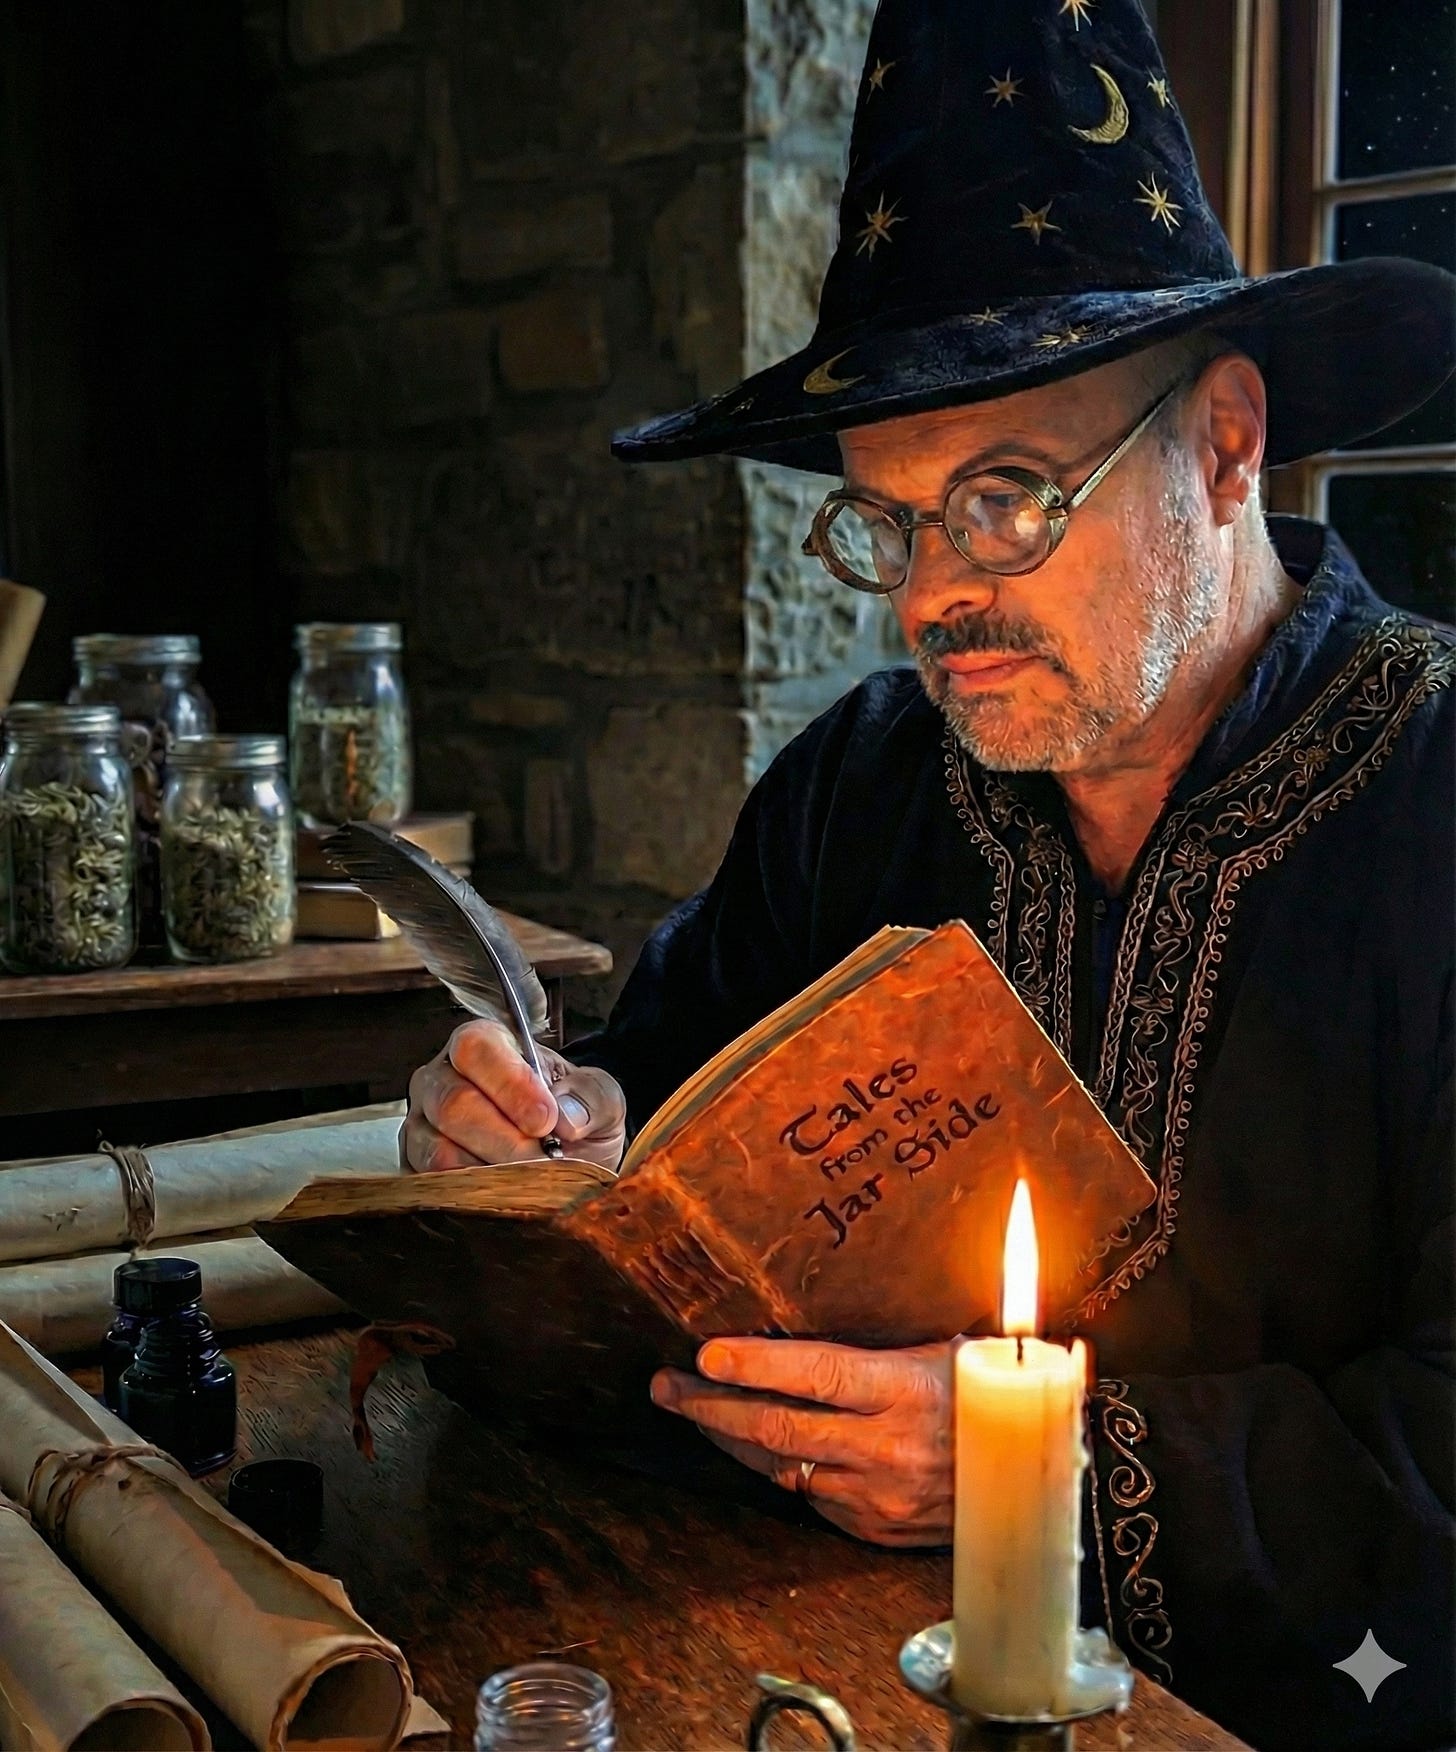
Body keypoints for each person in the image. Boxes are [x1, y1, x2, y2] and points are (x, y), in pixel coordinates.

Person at [402, 1, 1456, 1746]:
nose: (928, 600)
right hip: (809, 1676)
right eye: (891, 522)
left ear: (1227, 443)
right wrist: (551, 1138)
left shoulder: (1434, 799)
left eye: (1008, 498)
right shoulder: (864, 784)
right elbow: (650, 1144)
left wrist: (1053, 1466)